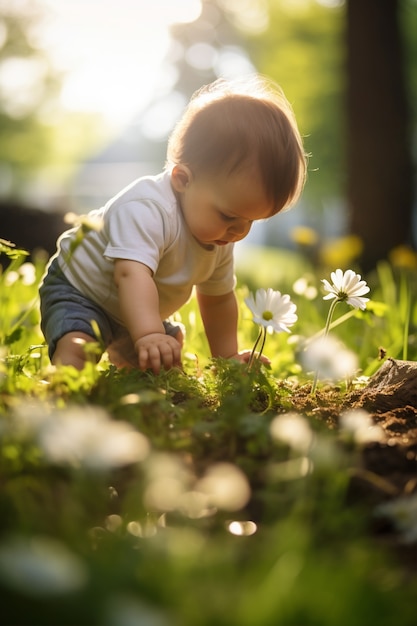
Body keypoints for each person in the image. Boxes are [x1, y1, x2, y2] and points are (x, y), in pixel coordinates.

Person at [39, 74, 307, 374]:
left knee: (168, 357)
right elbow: (130, 274)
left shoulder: (220, 237)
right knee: (78, 346)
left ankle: (129, 364)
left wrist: (227, 357)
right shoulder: (146, 208)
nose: (239, 232)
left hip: (133, 312)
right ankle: (63, 392)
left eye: (251, 221)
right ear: (182, 180)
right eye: (230, 216)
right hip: (80, 290)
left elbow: (217, 301)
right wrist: (150, 334)